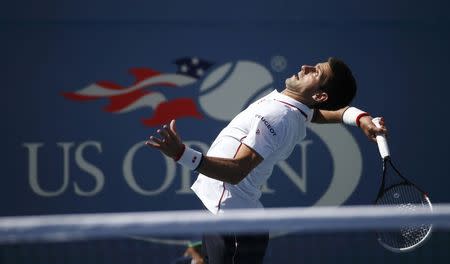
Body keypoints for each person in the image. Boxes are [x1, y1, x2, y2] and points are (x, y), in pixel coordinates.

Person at [146, 57, 386, 264]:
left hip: (231, 218)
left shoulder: (279, 115)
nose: (305, 66)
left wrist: (182, 154)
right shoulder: (295, 110)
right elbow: (321, 113)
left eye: (316, 71)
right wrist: (360, 117)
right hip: (232, 213)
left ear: (319, 95)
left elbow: (236, 171)